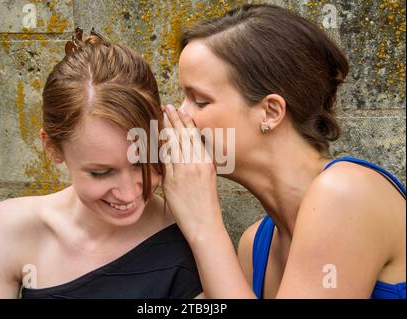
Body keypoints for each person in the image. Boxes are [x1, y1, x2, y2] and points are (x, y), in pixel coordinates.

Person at [161, 4, 405, 298]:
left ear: (270, 112)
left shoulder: (347, 194)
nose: (179, 115)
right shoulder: (254, 247)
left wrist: (204, 227)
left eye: (199, 101)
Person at [0, 28, 203, 299]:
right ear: (52, 147)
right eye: (101, 173)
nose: (129, 193)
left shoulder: (191, 235)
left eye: (144, 160)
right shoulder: (7, 230)